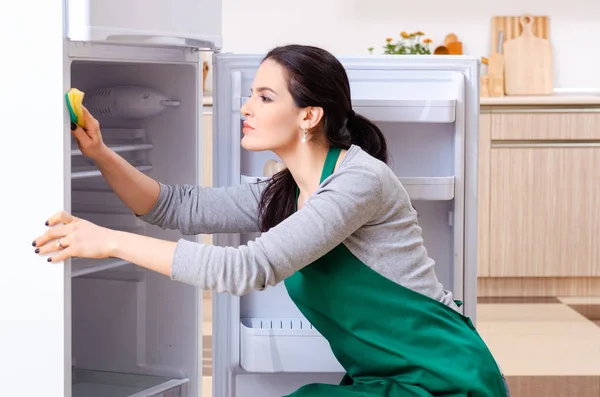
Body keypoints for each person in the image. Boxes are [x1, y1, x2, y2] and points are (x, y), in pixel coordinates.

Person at [32, 44, 509, 397]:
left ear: (309, 116)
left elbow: (244, 269)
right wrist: (98, 151)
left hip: (445, 380)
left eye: (264, 97)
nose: (245, 107)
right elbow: (176, 207)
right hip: (387, 380)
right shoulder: (285, 190)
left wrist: (111, 241)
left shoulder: (359, 181)